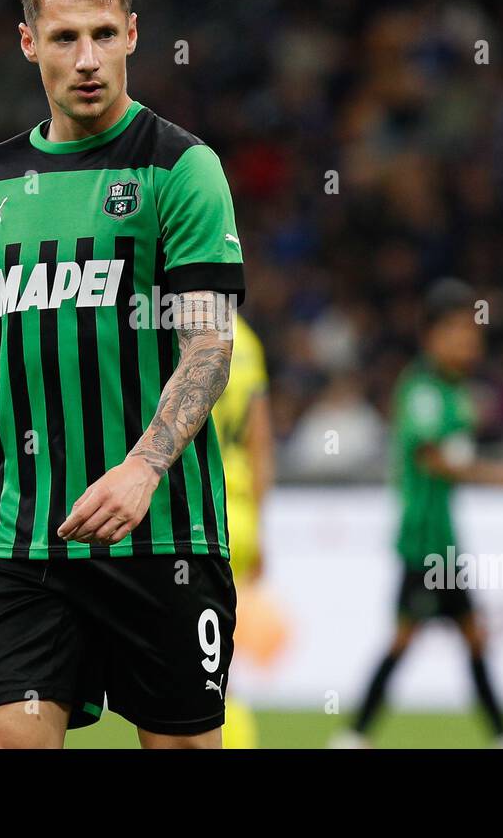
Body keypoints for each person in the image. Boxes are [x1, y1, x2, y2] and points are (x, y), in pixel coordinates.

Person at [0, 0, 245, 748]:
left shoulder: (181, 167)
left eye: (105, 34)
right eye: (66, 36)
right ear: (27, 42)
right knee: (10, 739)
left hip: (165, 534)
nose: (87, 59)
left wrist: (144, 466)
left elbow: (211, 344)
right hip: (20, 535)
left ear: (134, 35)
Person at [334, 279, 503, 748]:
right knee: (406, 640)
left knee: (472, 637)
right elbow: (433, 459)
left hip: (443, 540)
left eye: (473, 334)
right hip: (423, 541)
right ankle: (352, 737)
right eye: (458, 333)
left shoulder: (454, 390)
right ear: (432, 336)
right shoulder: (422, 387)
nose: (469, 343)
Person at [211, 312, 276, 748]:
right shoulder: (246, 339)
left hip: (193, 510)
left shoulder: (169, 320)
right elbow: (260, 442)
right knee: (217, 661)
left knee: (199, 671)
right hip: (239, 514)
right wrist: (261, 526)